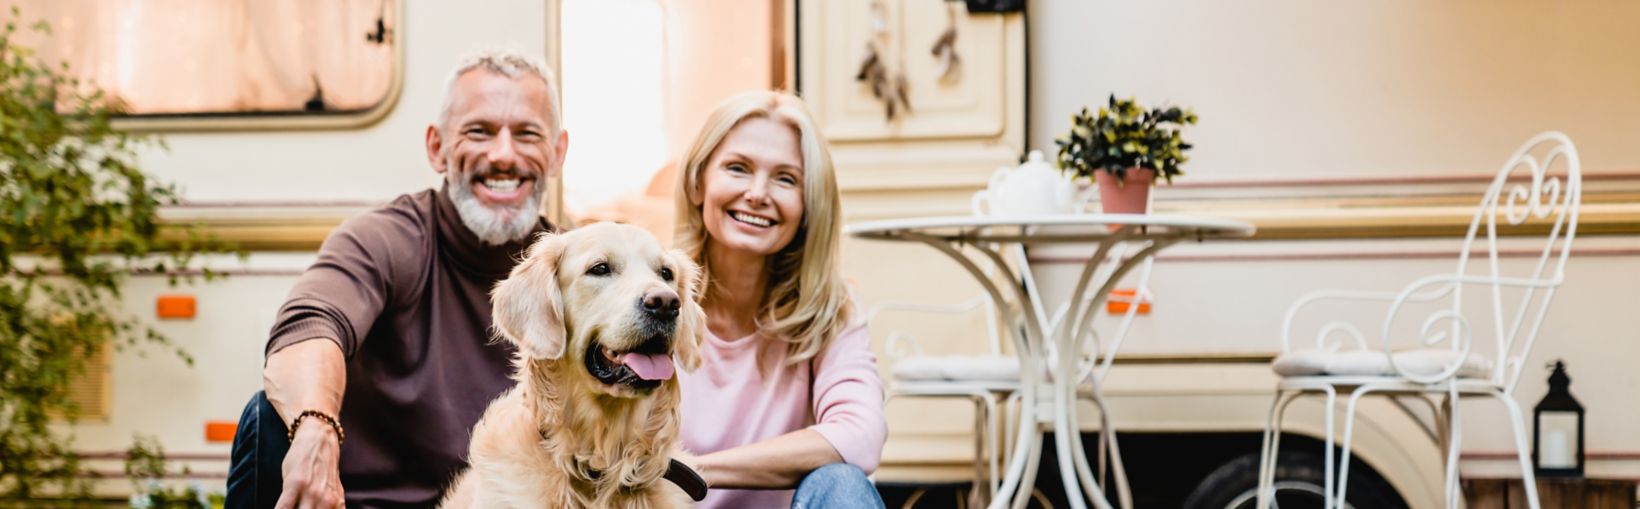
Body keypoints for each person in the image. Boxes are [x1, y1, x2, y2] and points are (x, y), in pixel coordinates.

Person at [224, 50, 569, 508]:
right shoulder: (386, 239)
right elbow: (309, 325)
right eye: (478, 132)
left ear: (557, 152)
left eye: (527, 134)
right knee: (267, 417)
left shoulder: (580, 269)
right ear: (436, 147)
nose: (503, 155)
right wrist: (314, 426)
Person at [672, 90, 888, 508]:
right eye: (738, 169)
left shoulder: (830, 309)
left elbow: (860, 435)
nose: (757, 193)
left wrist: (696, 471)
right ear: (699, 183)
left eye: (785, 178)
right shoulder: (654, 301)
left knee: (842, 484)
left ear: (808, 205)